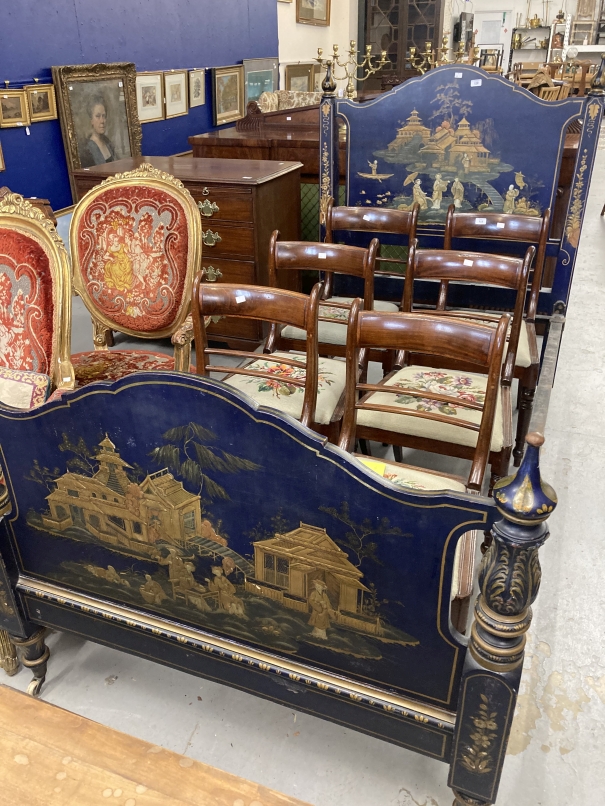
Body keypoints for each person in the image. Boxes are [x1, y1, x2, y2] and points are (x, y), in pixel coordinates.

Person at [81, 95, 117, 167]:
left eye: (103, 116)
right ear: (91, 120)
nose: (102, 121)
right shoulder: (87, 149)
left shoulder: (108, 142)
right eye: (98, 116)